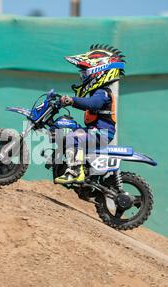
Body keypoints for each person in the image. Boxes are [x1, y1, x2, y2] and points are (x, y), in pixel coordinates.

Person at [54, 44, 126, 185]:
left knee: (72, 137)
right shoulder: (98, 92)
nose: (82, 78)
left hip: (102, 133)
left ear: (98, 73)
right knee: (72, 130)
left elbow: (92, 104)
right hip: (97, 131)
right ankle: (82, 168)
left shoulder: (102, 92)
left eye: (85, 74)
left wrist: (72, 100)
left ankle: (75, 171)